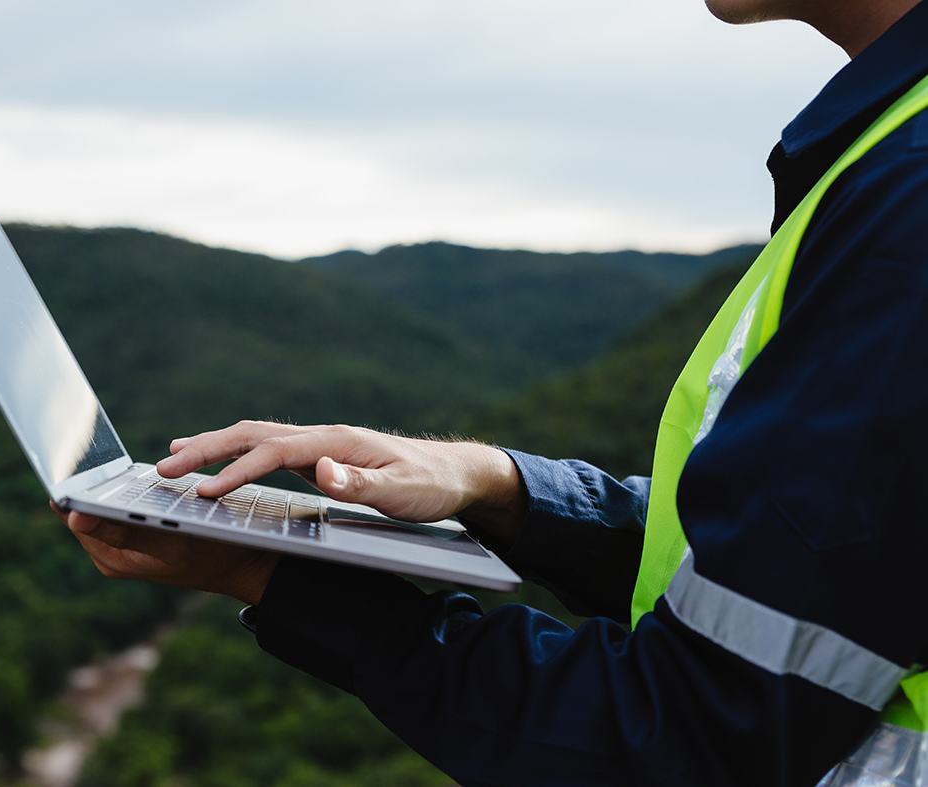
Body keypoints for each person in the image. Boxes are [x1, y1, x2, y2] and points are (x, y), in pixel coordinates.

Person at [54, 0, 928, 784]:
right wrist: (491, 484)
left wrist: (269, 572)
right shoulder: (890, 152)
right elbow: (796, 577)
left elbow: (687, 739)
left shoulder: (910, 197)